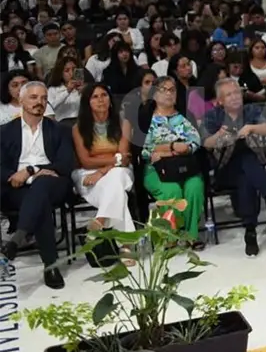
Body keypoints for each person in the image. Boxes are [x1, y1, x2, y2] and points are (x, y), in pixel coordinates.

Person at [203, 77, 266, 257]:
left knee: (246, 175)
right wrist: (220, 136)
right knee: (245, 161)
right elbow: (206, 143)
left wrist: (251, 127)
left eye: (236, 92)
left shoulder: (251, 110)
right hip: (224, 170)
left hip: (249, 171)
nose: (235, 97)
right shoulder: (213, 116)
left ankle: (250, 232)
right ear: (220, 101)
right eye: (229, 95)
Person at [0, 81, 73, 288]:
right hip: (16, 188)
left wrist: (31, 170)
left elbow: (66, 164)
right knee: (39, 203)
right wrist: (15, 175)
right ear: (20, 100)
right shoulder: (5, 131)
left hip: (53, 184)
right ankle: (50, 266)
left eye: (43, 98)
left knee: (41, 186)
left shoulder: (58, 129)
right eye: (33, 97)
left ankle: (16, 239)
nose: (39, 102)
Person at [140, 76, 206, 248]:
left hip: (185, 166)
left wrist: (165, 150)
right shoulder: (146, 118)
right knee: (172, 190)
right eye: (164, 89)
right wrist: (173, 146)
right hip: (155, 169)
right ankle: (171, 235)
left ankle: (192, 235)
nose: (169, 93)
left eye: (172, 89)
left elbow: (194, 142)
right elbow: (144, 150)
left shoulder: (184, 117)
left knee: (195, 186)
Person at [72, 84, 136, 238]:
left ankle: (100, 220)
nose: (101, 100)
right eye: (95, 97)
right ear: (87, 103)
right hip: (88, 175)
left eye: (104, 95)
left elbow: (125, 158)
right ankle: (126, 246)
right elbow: (86, 161)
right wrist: (114, 161)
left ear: (110, 99)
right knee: (118, 193)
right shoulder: (78, 128)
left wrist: (102, 170)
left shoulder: (123, 123)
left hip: (119, 171)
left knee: (117, 176)